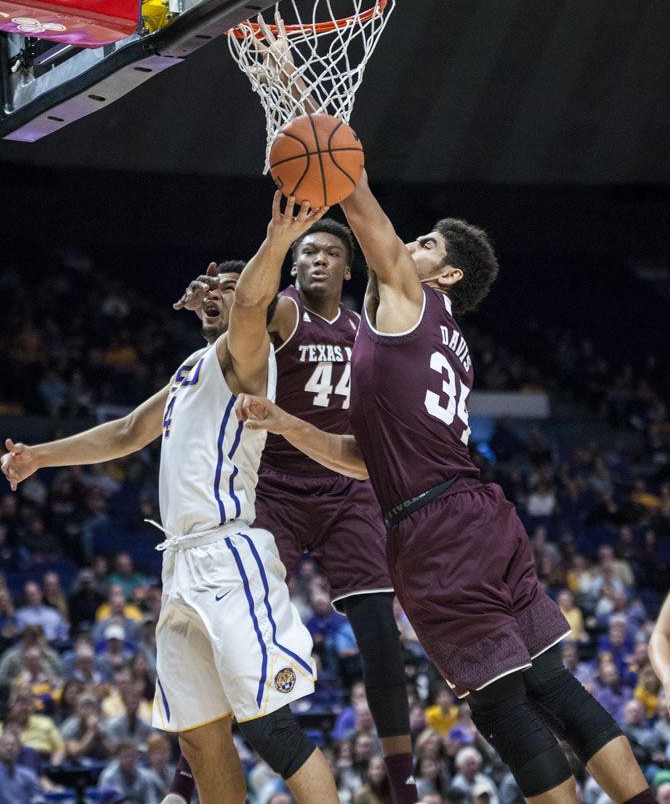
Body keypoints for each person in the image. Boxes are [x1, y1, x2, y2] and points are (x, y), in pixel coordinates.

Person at [236, 170, 655, 804]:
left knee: (504, 710)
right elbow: (363, 459)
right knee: (554, 686)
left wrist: (333, 147)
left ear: (447, 274)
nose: (412, 245)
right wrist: (287, 422)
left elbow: (366, 216)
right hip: (478, 513)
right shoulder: (447, 336)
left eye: (428, 242)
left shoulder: (411, 297)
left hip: (437, 531)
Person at [2, 194, 339, 804]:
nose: (221, 295)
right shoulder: (192, 367)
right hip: (180, 564)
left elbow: (252, 303)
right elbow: (129, 432)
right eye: (215, 288)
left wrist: (276, 238)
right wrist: (38, 456)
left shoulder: (250, 355)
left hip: (230, 556)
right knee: (198, 737)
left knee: (271, 729)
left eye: (232, 289)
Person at [171, 217, 416, 804]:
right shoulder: (282, 311)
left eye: (330, 252)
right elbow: (239, 340)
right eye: (307, 252)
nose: (317, 260)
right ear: (293, 264)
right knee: (230, 625)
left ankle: (403, 787)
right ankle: (186, 779)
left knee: (381, 631)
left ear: (347, 268)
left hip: (343, 490)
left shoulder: (363, 329)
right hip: (272, 488)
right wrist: (217, 311)